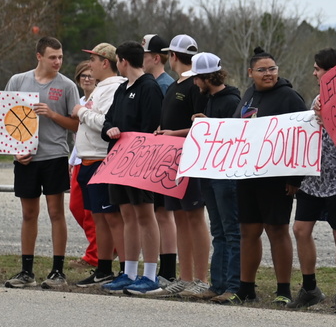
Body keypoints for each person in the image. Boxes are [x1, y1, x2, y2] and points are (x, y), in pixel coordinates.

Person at [231, 48, 306, 305]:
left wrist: (295, 178)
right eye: (262, 70)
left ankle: (283, 290)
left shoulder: (289, 97)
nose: (268, 74)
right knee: (248, 231)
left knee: (276, 230)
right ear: (250, 73)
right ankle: (246, 288)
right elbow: (237, 129)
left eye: (272, 69)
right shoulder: (248, 95)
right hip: (248, 175)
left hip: (277, 177)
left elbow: (303, 138)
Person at [3, 37, 80, 289]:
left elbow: (76, 124)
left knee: (56, 213)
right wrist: (15, 152)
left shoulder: (67, 86)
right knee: (28, 214)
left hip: (55, 156)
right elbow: (3, 116)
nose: (57, 62)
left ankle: (58, 271)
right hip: (26, 158)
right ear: (39, 56)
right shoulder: (18, 81)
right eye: (52, 57)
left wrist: (53, 114)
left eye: (60, 57)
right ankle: (26, 271)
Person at [288, 48, 336, 312]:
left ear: (333, 71)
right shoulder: (318, 99)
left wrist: (327, 120)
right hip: (313, 179)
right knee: (300, 230)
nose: (314, 73)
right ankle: (310, 288)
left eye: (318, 68)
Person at [98, 41, 165, 295]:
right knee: (127, 216)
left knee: (145, 215)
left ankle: (150, 276)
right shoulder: (122, 89)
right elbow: (109, 119)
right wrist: (109, 129)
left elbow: (152, 125)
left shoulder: (150, 87)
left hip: (141, 162)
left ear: (123, 61)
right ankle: (128, 272)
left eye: (117, 60)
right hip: (118, 161)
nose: (117, 64)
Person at [147, 35, 211, 299]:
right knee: (181, 218)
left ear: (172, 56)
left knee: (195, 218)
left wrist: (172, 134)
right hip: (173, 162)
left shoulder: (196, 85)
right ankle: (184, 278)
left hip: (192, 160)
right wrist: (164, 131)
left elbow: (202, 125)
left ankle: (202, 279)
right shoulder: (174, 86)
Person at [72, 43, 127, 287]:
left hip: (101, 159)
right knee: (99, 218)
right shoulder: (100, 88)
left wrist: (81, 112)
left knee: (113, 218)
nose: (90, 65)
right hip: (87, 160)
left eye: (93, 60)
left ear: (105, 62)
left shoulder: (113, 87)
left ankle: (126, 268)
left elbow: (106, 122)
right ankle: (103, 267)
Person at [189, 53, 242, 303]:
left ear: (207, 77)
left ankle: (233, 286)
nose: (194, 84)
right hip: (210, 172)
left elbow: (238, 135)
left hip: (226, 174)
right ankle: (218, 284)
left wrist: (209, 123)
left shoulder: (232, 100)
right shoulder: (210, 98)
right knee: (218, 231)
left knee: (231, 231)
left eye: (197, 79)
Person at [68, 61, 99, 269]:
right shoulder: (78, 101)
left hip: (94, 158)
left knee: (91, 212)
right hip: (78, 158)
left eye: (90, 75)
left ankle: (94, 255)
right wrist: (71, 160)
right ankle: (101, 246)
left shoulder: (100, 100)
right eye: (83, 76)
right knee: (76, 207)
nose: (87, 79)